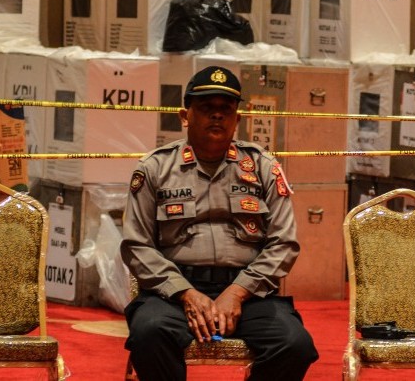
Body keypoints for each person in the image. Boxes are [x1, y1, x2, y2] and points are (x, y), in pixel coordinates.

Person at [121, 66, 319, 381]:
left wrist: (239, 291)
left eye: (225, 110)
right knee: (149, 333)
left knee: (294, 344)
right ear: (185, 116)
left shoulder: (263, 167)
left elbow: (284, 244)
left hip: (249, 293)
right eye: (206, 108)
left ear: (237, 120)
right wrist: (185, 293)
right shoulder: (155, 168)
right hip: (173, 295)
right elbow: (136, 246)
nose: (217, 116)